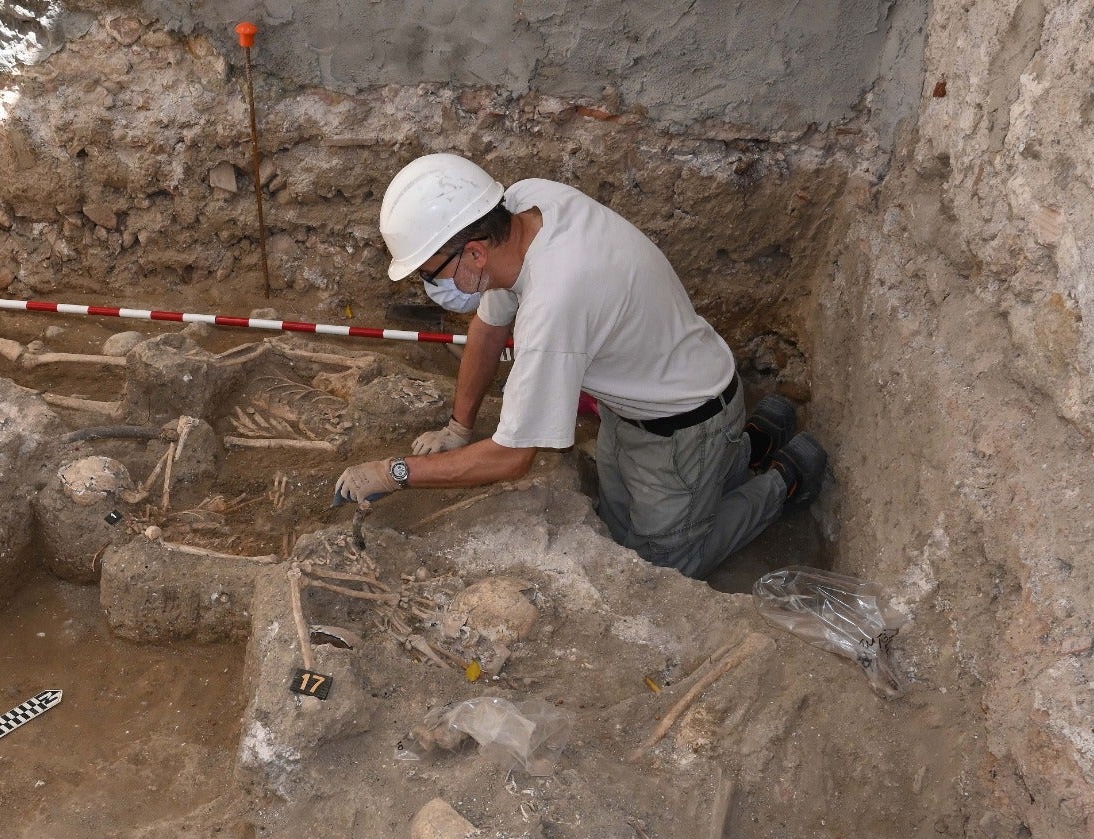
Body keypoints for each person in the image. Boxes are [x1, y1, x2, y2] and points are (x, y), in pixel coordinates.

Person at [332, 153, 827, 580]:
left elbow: (512, 457)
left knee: (665, 564)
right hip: (642, 399)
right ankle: (753, 441)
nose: (429, 284)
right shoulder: (526, 206)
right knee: (616, 526)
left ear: (476, 253)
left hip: (686, 424)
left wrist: (396, 472)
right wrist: (459, 428)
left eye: (430, 271)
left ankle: (784, 477)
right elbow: (488, 328)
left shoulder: (555, 302)